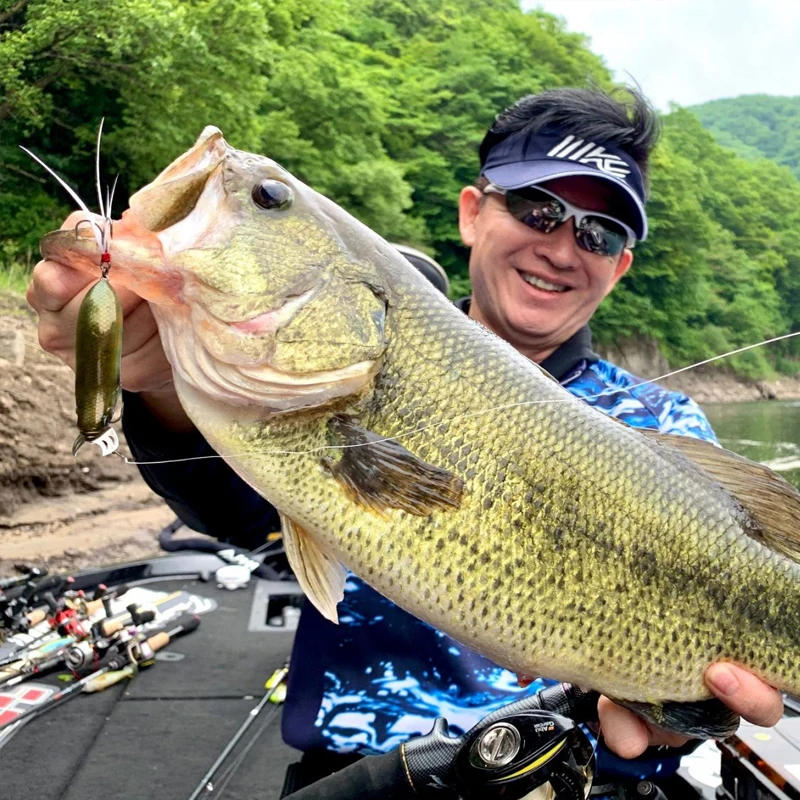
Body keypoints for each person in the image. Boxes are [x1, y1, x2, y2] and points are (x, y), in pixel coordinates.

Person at [28, 86, 783, 798]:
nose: (561, 246)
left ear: (619, 266)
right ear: (472, 214)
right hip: (355, 778)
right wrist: (157, 383)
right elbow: (241, 518)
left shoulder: (669, 425)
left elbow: (703, 684)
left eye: (598, 230)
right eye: (536, 207)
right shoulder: (317, 380)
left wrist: (673, 724)